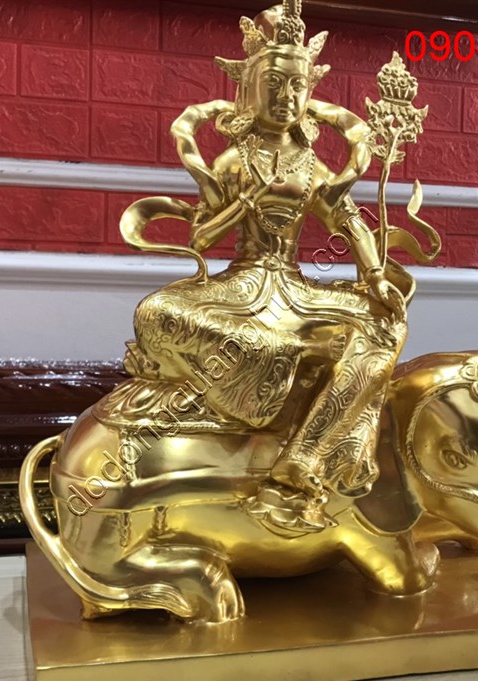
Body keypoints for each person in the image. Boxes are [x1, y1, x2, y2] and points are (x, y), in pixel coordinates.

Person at [122, 1, 409, 521]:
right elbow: (202, 237)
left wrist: (374, 276)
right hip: (241, 283)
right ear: (248, 92)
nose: (286, 97)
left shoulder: (311, 165)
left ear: (309, 94)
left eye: (297, 86)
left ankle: (305, 456)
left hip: (296, 287)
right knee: (155, 311)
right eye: (273, 85)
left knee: (387, 327)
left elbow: (348, 220)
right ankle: (285, 362)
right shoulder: (234, 160)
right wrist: (246, 201)